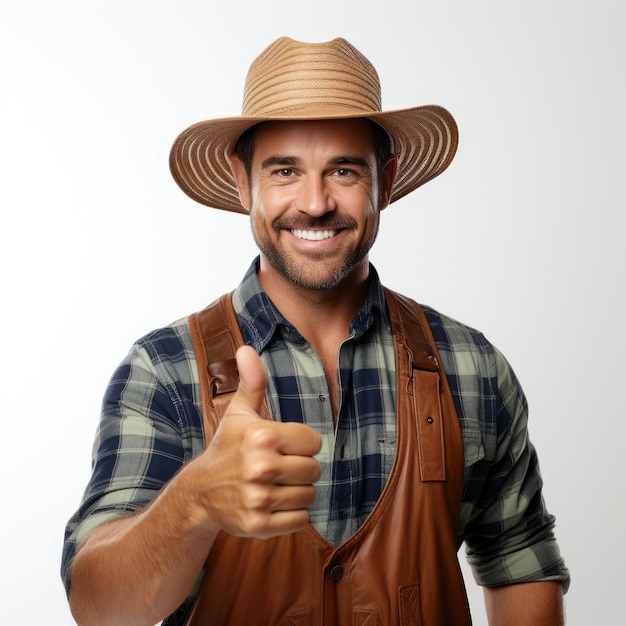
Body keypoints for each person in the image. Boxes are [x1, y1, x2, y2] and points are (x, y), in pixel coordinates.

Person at [62, 37, 569, 625]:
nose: (315, 202)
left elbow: (520, 562)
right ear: (241, 181)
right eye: (284, 170)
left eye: (344, 170)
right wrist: (196, 500)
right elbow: (98, 607)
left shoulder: (471, 366)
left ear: (388, 179)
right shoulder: (165, 370)